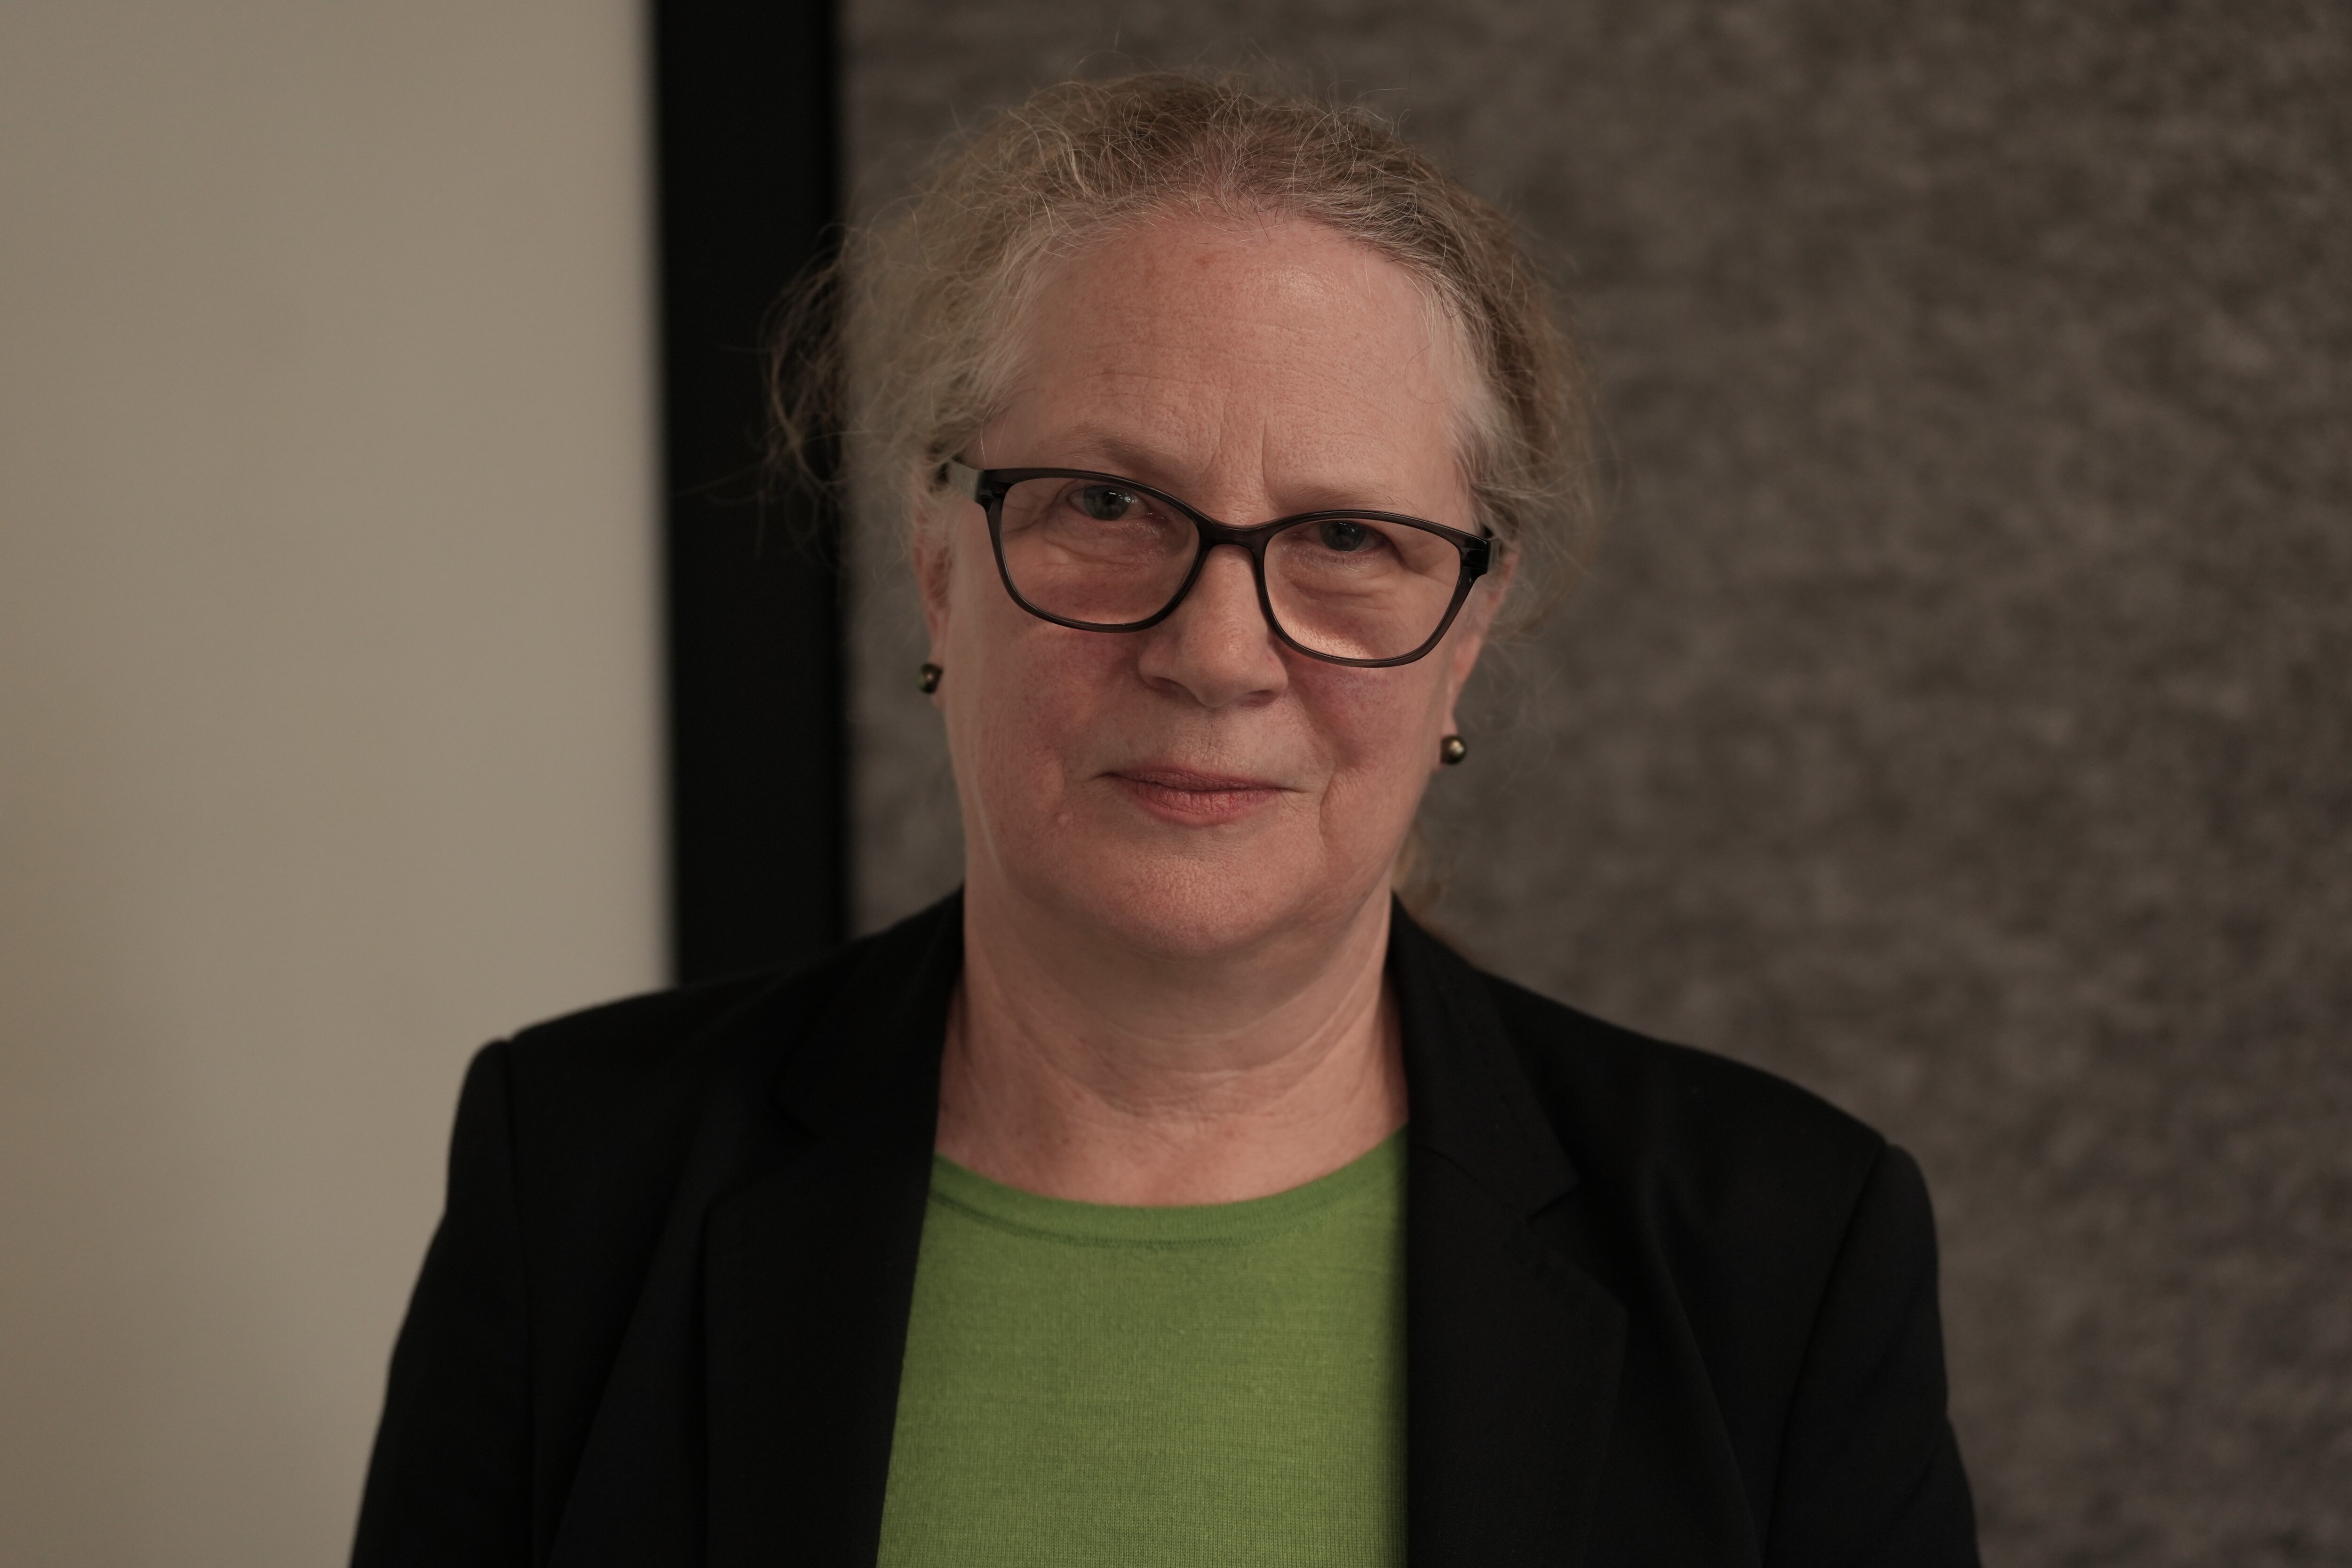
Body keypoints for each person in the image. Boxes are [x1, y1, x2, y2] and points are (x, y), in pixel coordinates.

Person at [353, 74, 1978, 1568]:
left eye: (1348, 536)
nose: (1214, 654)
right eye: (1107, 507)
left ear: (1466, 633)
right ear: (939, 567)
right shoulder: (577, 1176)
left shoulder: (1780, 1251)